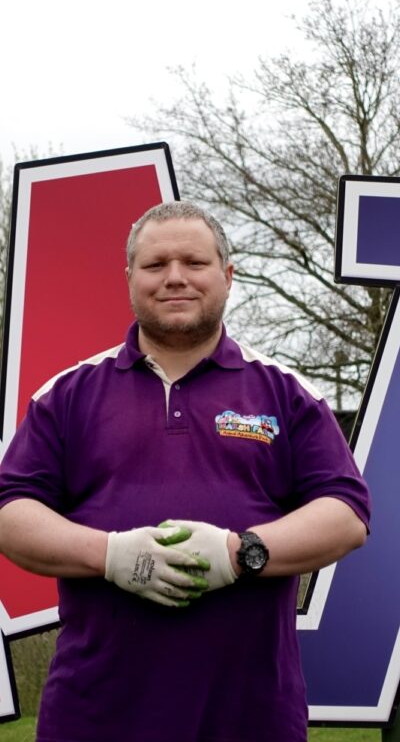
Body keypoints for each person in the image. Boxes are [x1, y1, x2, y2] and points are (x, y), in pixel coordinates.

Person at [0, 200, 370, 742]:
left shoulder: (286, 392)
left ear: (227, 275)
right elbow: (11, 513)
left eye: (194, 263)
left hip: (251, 718)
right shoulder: (68, 395)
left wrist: (239, 553)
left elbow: (347, 513)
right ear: (129, 279)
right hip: (94, 718)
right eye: (155, 265)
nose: (175, 278)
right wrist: (111, 556)